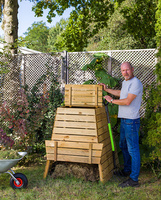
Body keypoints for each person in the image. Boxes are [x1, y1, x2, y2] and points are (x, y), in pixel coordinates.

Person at [100, 62, 143, 188]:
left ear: (132, 69)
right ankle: (127, 170)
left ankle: (134, 179)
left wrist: (111, 100)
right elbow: (122, 93)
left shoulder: (136, 83)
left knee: (133, 149)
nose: (125, 72)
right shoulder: (125, 82)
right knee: (123, 145)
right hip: (124, 120)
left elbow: (128, 101)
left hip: (131, 121)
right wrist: (107, 89)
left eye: (127, 70)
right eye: (123, 70)